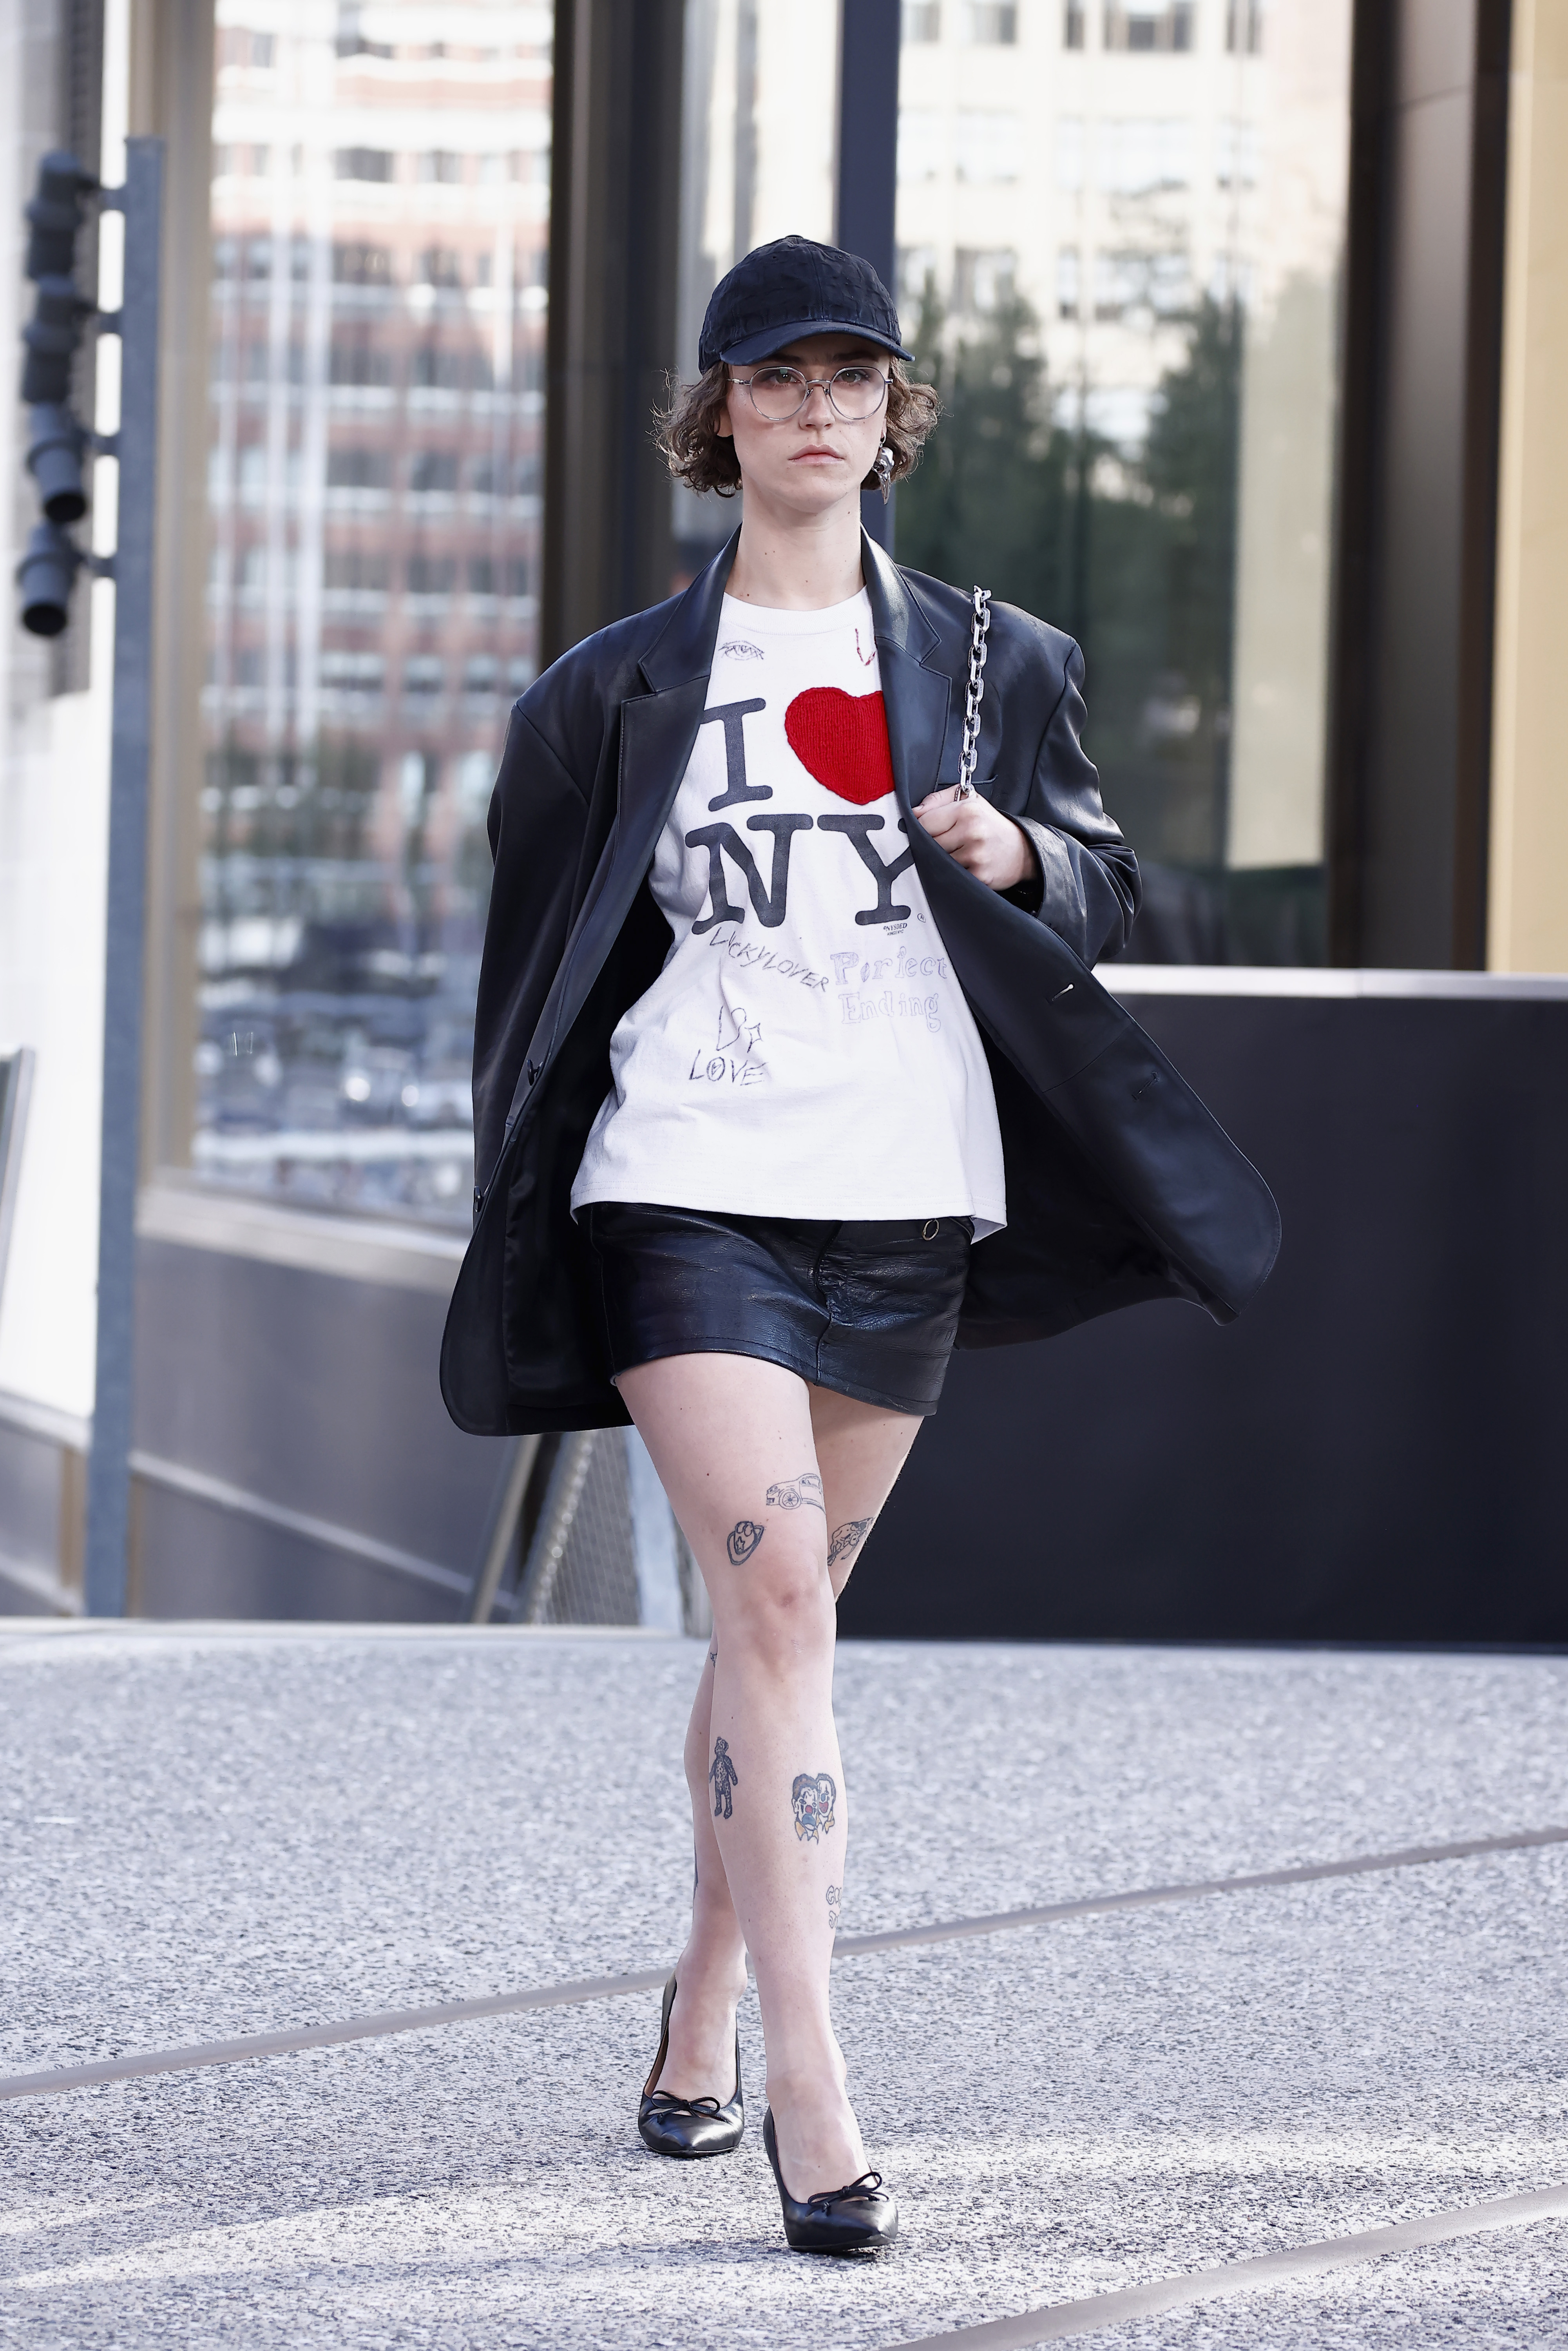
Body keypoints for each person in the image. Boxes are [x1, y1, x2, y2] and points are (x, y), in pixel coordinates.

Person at [442, 235, 1278, 2254]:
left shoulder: (999, 658)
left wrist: (1023, 855)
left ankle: (707, 2002)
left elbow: (1105, 886)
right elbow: (541, 950)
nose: (815, 405)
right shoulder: (616, 686)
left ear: (890, 416)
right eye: (776, 375)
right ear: (719, 416)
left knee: (774, 1634)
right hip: (689, 1179)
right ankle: (819, 2097)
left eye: (852, 376)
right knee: (786, 1618)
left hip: (903, 1188)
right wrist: (520, 1194)